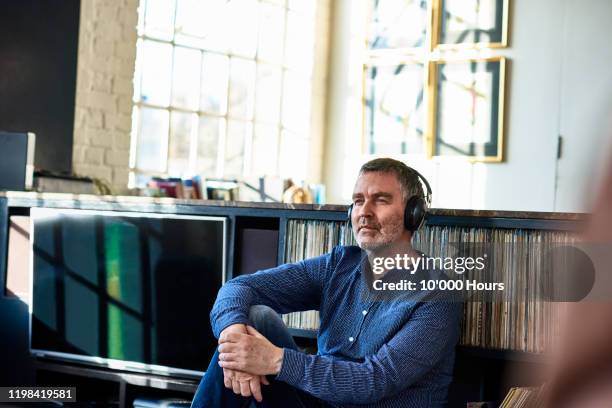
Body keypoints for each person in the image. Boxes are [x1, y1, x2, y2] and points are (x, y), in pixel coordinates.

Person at [191, 158, 463, 408]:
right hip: (315, 403)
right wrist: (234, 340)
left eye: (380, 200)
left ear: (412, 213)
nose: (364, 212)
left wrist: (274, 360)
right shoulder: (338, 265)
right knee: (254, 317)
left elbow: (375, 380)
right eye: (358, 201)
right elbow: (238, 288)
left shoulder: (437, 295)